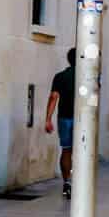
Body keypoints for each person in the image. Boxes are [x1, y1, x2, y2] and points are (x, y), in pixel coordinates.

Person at [45, 49, 77, 199]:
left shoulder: (60, 77)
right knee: (82, 152)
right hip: (82, 119)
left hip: (64, 118)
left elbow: (53, 97)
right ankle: (79, 181)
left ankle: (67, 183)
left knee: (66, 150)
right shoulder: (88, 77)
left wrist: (48, 119)